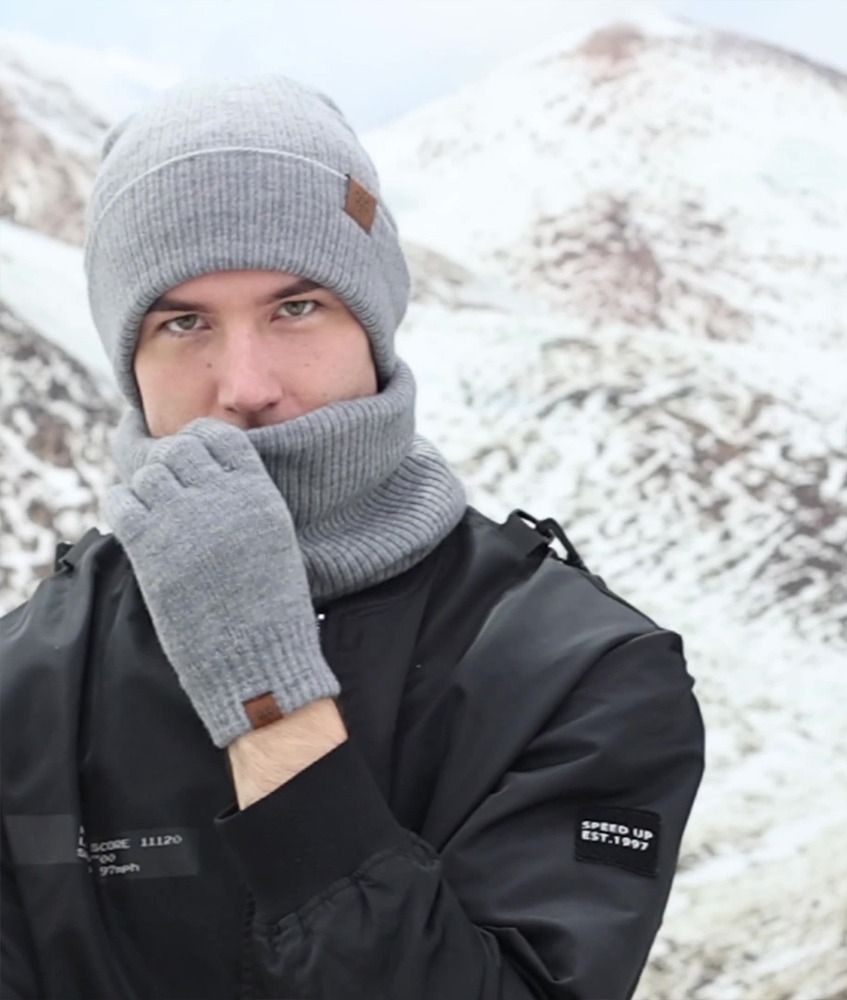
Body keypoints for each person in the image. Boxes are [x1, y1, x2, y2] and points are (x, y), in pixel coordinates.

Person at [0, 74, 705, 1000]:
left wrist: (269, 703)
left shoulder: (583, 675)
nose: (245, 384)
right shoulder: (29, 682)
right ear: (130, 363)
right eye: (183, 322)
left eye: (297, 307)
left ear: (374, 324)